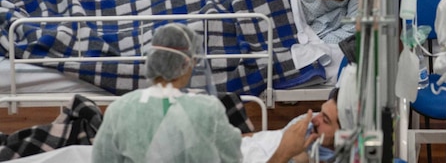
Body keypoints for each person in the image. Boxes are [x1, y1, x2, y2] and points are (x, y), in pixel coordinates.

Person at [91, 23, 331, 163]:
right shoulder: (206, 109)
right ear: (188, 65)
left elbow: (102, 159)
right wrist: (282, 152)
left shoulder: (119, 110)